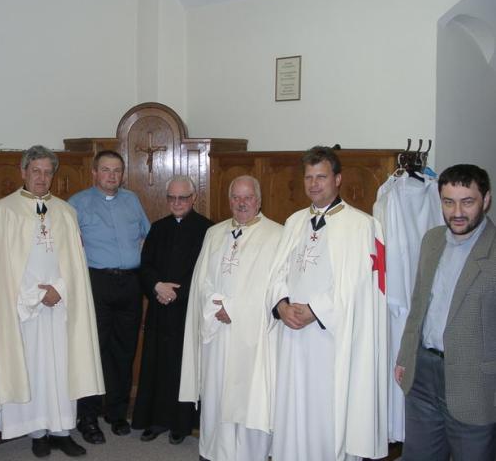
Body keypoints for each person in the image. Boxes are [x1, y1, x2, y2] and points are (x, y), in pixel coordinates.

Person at [270, 146, 387, 461]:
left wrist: (315, 310)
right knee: (294, 408)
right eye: (309, 177)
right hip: (292, 334)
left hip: (332, 337)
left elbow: (359, 284)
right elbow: (277, 271)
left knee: (327, 410)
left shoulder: (360, 225)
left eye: (321, 177)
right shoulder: (294, 221)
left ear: (337, 179)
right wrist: (281, 305)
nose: (314, 184)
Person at [0, 145, 104, 458]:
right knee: (32, 368)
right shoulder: (3, 211)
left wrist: (59, 290)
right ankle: (38, 432)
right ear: (23, 172)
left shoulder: (65, 212)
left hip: (61, 305)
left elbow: (76, 264)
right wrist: (36, 295)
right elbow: (0, 267)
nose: (42, 178)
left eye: (47, 172)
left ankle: (62, 430)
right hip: (24, 308)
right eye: (36, 171)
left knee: (62, 369)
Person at [395, 164, 496, 461]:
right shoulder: (432, 240)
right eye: (448, 202)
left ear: (486, 200)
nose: (457, 212)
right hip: (423, 374)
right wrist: (405, 355)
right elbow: (418, 305)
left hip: (474, 385)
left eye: (468, 202)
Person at [179, 175, 283, 461]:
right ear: (229, 201)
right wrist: (216, 306)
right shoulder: (215, 233)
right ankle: (215, 452)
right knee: (216, 393)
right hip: (216, 331)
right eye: (236, 197)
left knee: (249, 396)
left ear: (258, 200)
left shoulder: (277, 235)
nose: (241, 203)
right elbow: (201, 281)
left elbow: (275, 287)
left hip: (252, 336)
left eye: (247, 197)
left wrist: (233, 308)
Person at [68, 150, 150, 443]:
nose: (112, 176)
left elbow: (147, 235)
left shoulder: (132, 200)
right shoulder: (76, 204)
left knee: (124, 351)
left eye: (117, 170)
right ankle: (88, 417)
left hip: (130, 283)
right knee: (92, 350)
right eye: (105, 170)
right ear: (94, 173)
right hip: (96, 283)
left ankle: (117, 413)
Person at [132, 176, 213, 444]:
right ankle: (156, 420)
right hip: (159, 309)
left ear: (193, 198)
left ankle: (181, 424)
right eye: (172, 198)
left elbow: (206, 272)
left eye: (183, 198)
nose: (177, 203)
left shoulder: (208, 230)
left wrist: (177, 293)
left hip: (187, 311)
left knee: (183, 367)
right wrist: (157, 286)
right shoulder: (158, 228)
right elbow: (145, 265)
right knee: (156, 365)